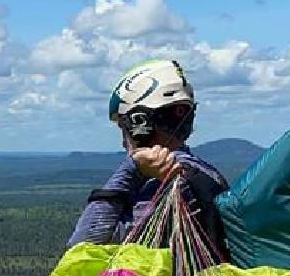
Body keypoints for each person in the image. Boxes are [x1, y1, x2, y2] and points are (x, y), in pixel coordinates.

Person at [68, 59, 229, 259]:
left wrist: (131, 169)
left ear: (139, 123)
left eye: (123, 129)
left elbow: (82, 250)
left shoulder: (163, 182)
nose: (123, 142)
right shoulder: (208, 174)